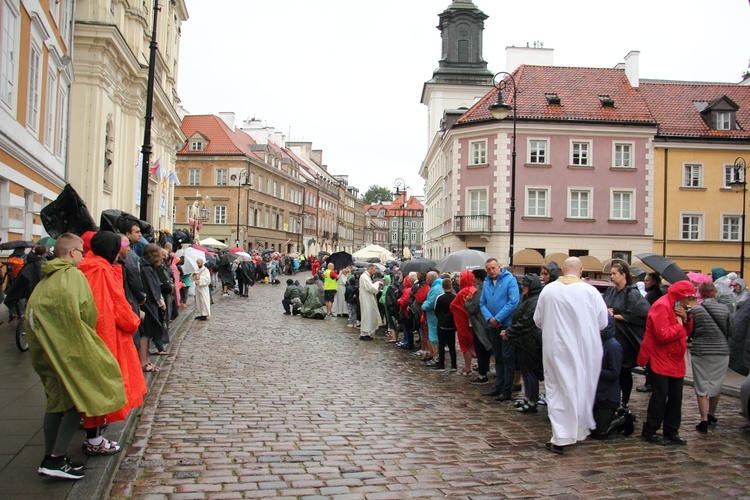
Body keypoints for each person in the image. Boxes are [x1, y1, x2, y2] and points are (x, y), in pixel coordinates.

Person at [27, 233, 127, 480]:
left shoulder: (46, 278)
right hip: (68, 349)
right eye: (81, 251)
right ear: (72, 252)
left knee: (55, 404)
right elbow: (87, 313)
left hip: (45, 350)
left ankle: (50, 457)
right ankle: (56, 458)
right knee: (77, 400)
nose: (84, 255)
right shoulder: (73, 276)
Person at [79, 231, 147, 455]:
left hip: (95, 337)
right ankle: (94, 439)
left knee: (97, 387)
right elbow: (116, 308)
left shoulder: (89, 268)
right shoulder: (101, 271)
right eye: (121, 246)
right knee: (103, 386)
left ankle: (95, 434)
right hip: (107, 338)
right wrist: (134, 320)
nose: (124, 249)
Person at [533, 257, 608, 454]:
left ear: (563, 270)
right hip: (582, 347)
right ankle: (572, 430)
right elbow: (602, 322)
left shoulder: (548, 290)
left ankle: (563, 433)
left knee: (557, 387)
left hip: (556, 347)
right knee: (579, 385)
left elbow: (538, 319)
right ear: (581, 271)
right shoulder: (590, 291)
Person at [637, 280, 696, 446]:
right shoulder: (661, 306)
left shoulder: (678, 306)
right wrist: (680, 327)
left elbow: (687, 331)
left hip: (675, 359)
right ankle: (650, 430)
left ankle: (671, 430)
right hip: (659, 358)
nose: (688, 302)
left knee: (676, 397)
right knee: (660, 397)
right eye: (688, 298)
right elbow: (662, 335)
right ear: (681, 296)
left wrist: (687, 320)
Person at [602, 262, 650, 410]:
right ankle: (611, 399)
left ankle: (625, 401)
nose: (611, 276)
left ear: (623, 275)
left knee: (624, 370)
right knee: (610, 369)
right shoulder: (610, 292)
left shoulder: (633, 293)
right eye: (611, 274)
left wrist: (614, 315)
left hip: (626, 337)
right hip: (611, 336)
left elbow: (639, 313)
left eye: (614, 273)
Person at [689, 282, 732, 433]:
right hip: (721, 351)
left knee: (701, 385)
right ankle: (712, 413)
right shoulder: (725, 309)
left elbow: (691, 331)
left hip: (701, 351)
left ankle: (703, 419)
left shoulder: (696, 310)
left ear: (700, 293)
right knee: (716, 383)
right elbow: (729, 330)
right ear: (714, 292)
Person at [479, 258, 519, 402]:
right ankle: (498, 385)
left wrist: (499, 318)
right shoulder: (486, 282)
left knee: (507, 357)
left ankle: (507, 389)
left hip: (506, 324)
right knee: (498, 356)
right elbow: (482, 303)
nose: (491, 271)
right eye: (488, 269)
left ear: (499, 267)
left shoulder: (510, 280)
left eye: (493, 268)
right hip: (492, 325)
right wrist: (490, 318)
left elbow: (513, 301)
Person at [505, 274, 544, 413]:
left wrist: (510, 331)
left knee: (530, 371)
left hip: (531, 341)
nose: (523, 287)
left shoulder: (535, 300)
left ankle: (532, 401)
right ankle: (528, 397)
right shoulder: (527, 298)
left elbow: (527, 321)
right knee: (526, 370)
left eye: (526, 285)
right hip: (523, 340)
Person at [591, 316, 635, 439]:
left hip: (608, 396)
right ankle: (615, 415)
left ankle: (623, 418)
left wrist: (595, 371)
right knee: (589, 428)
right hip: (598, 394)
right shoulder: (598, 343)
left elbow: (614, 373)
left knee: (600, 433)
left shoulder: (613, 346)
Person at [138, 243, 168, 370]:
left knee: (149, 332)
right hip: (148, 305)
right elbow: (152, 287)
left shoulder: (149, 267)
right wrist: (160, 301)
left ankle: (147, 360)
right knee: (146, 332)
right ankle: (143, 362)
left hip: (151, 304)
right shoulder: (146, 269)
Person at [450, 270, 476, 376]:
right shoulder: (475, 290)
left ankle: (467, 367)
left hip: (464, 323)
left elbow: (453, 306)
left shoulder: (462, 292)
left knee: (466, 345)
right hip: (474, 323)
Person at [433, 278, 458, 371]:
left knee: (441, 344)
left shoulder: (440, 297)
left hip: (442, 323)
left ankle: (441, 364)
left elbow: (436, 310)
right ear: (451, 286)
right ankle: (454, 365)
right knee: (452, 345)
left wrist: (440, 318)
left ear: (443, 287)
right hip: (452, 324)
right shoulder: (455, 297)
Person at [421, 271, 444, 365]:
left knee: (434, 337)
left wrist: (424, 305)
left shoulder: (435, 288)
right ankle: (435, 357)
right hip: (435, 316)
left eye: (427, 278)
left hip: (434, 316)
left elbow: (431, 303)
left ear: (430, 279)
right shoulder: (439, 286)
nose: (426, 280)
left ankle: (436, 358)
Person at [358, 264, 382, 341]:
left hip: (368, 298)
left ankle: (367, 332)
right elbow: (370, 288)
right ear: (370, 269)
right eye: (374, 270)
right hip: (366, 299)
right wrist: (377, 283)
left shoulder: (366, 276)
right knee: (367, 314)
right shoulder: (364, 276)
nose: (374, 272)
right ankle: (364, 333)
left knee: (369, 314)